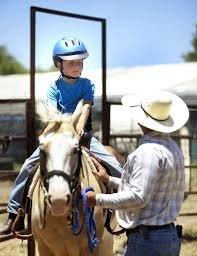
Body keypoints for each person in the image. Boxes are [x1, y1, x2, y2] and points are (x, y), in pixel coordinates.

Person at [0, 37, 123, 235]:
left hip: (84, 137)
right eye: (71, 62)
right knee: (26, 168)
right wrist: (65, 129)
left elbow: (86, 106)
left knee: (116, 166)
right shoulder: (53, 89)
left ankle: (127, 208)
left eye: (80, 61)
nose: (77, 66)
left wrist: (80, 126)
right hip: (60, 139)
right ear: (59, 64)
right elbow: (52, 114)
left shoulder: (87, 84)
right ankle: (15, 215)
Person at [86, 91, 189, 256]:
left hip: (147, 240)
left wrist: (97, 199)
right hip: (168, 237)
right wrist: (109, 180)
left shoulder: (146, 152)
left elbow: (138, 197)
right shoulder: (173, 148)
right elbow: (151, 189)